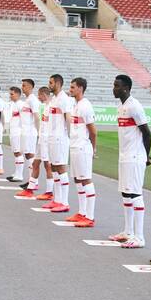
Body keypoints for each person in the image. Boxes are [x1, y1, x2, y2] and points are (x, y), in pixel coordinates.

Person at [108, 74, 151, 249]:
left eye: (117, 86)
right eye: (114, 85)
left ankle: (139, 237)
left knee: (135, 193)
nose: (114, 88)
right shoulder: (121, 106)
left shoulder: (134, 106)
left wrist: (146, 156)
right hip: (125, 156)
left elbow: (147, 133)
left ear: (126, 88)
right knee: (126, 193)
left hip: (135, 157)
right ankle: (127, 231)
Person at [64, 77, 98, 227]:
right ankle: (82, 212)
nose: (70, 90)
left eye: (72, 87)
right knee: (78, 179)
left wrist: (93, 147)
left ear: (80, 88)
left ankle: (89, 217)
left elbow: (93, 131)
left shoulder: (85, 106)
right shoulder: (75, 105)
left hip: (83, 147)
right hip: (75, 146)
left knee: (86, 179)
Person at [45, 74, 72, 213]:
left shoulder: (64, 99)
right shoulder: (54, 99)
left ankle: (65, 202)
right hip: (52, 136)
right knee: (54, 167)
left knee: (61, 167)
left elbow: (68, 118)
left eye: (51, 82)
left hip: (60, 138)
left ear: (58, 83)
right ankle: (57, 199)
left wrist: (68, 134)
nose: (49, 85)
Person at [18, 78, 37, 188]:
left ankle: (33, 181)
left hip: (30, 131)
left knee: (30, 155)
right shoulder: (27, 100)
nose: (22, 87)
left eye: (24, 85)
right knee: (27, 155)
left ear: (30, 87)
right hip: (25, 130)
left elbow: (36, 116)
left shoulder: (32, 100)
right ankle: (31, 180)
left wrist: (37, 130)